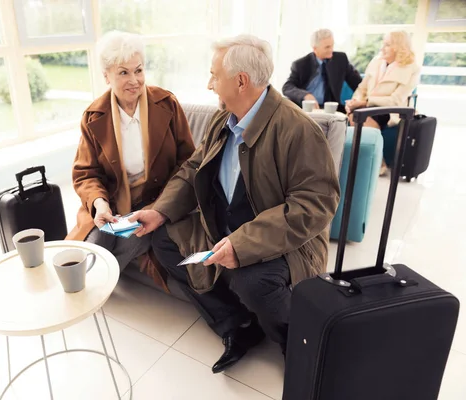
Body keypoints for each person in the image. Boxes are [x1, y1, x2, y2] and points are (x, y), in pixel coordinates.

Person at [130, 34, 340, 373]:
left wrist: (241, 243)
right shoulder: (222, 119)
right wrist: (160, 210)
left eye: (215, 75)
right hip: (223, 227)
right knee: (163, 240)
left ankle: (300, 345)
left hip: (286, 245)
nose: (210, 84)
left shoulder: (297, 129)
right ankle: (237, 325)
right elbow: (193, 168)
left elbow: (315, 205)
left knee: (253, 280)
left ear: (240, 81)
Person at [66, 31, 195, 285]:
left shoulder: (167, 104)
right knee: (92, 250)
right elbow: (85, 173)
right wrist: (100, 203)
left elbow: (188, 163)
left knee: (111, 263)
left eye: (138, 70)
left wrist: (161, 207)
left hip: (154, 203)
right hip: (112, 204)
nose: (134, 80)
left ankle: (100, 288)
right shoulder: (93, 116)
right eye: (123, 72)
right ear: (106, 77)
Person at [346, 30, 420, 175]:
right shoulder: (376, 61)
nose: (382, 48)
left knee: (362, 118)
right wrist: (355, 100)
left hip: (390, 109)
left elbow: (395, 100)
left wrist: (365, 102)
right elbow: (362, 87)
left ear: (398, 47)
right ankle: (366, 161)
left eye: (387, 45)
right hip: (367, 105)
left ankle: (378, 162)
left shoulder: (412, 68)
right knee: (354, 115)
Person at [283, 28, 362, 112]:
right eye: (327, 47)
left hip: (331, 110)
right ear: (315, 48)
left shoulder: (341, 60)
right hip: (307, 110)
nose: (331, 50)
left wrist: (362, 99)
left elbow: (358, 83)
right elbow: (287, 87)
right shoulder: (301, 64)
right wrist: (305, 95)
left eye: (332, 45)